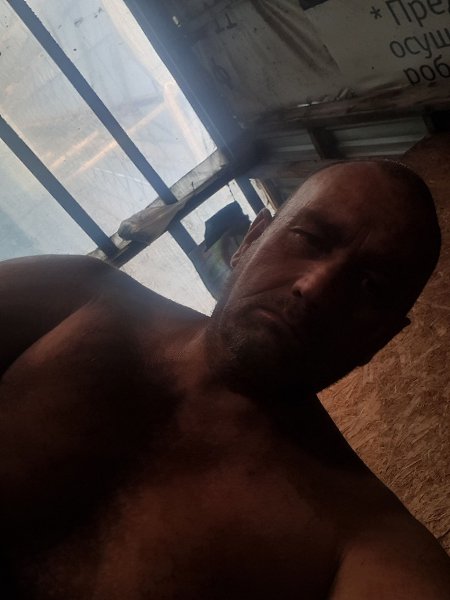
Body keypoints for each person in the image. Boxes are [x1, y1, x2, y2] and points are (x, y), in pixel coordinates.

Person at [1, 160, 449, 599]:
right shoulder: (70, 294)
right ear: (250, 240)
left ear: (380, 338)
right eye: (310, 239)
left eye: (370, 287)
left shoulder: (364, 542)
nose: (314, 288)